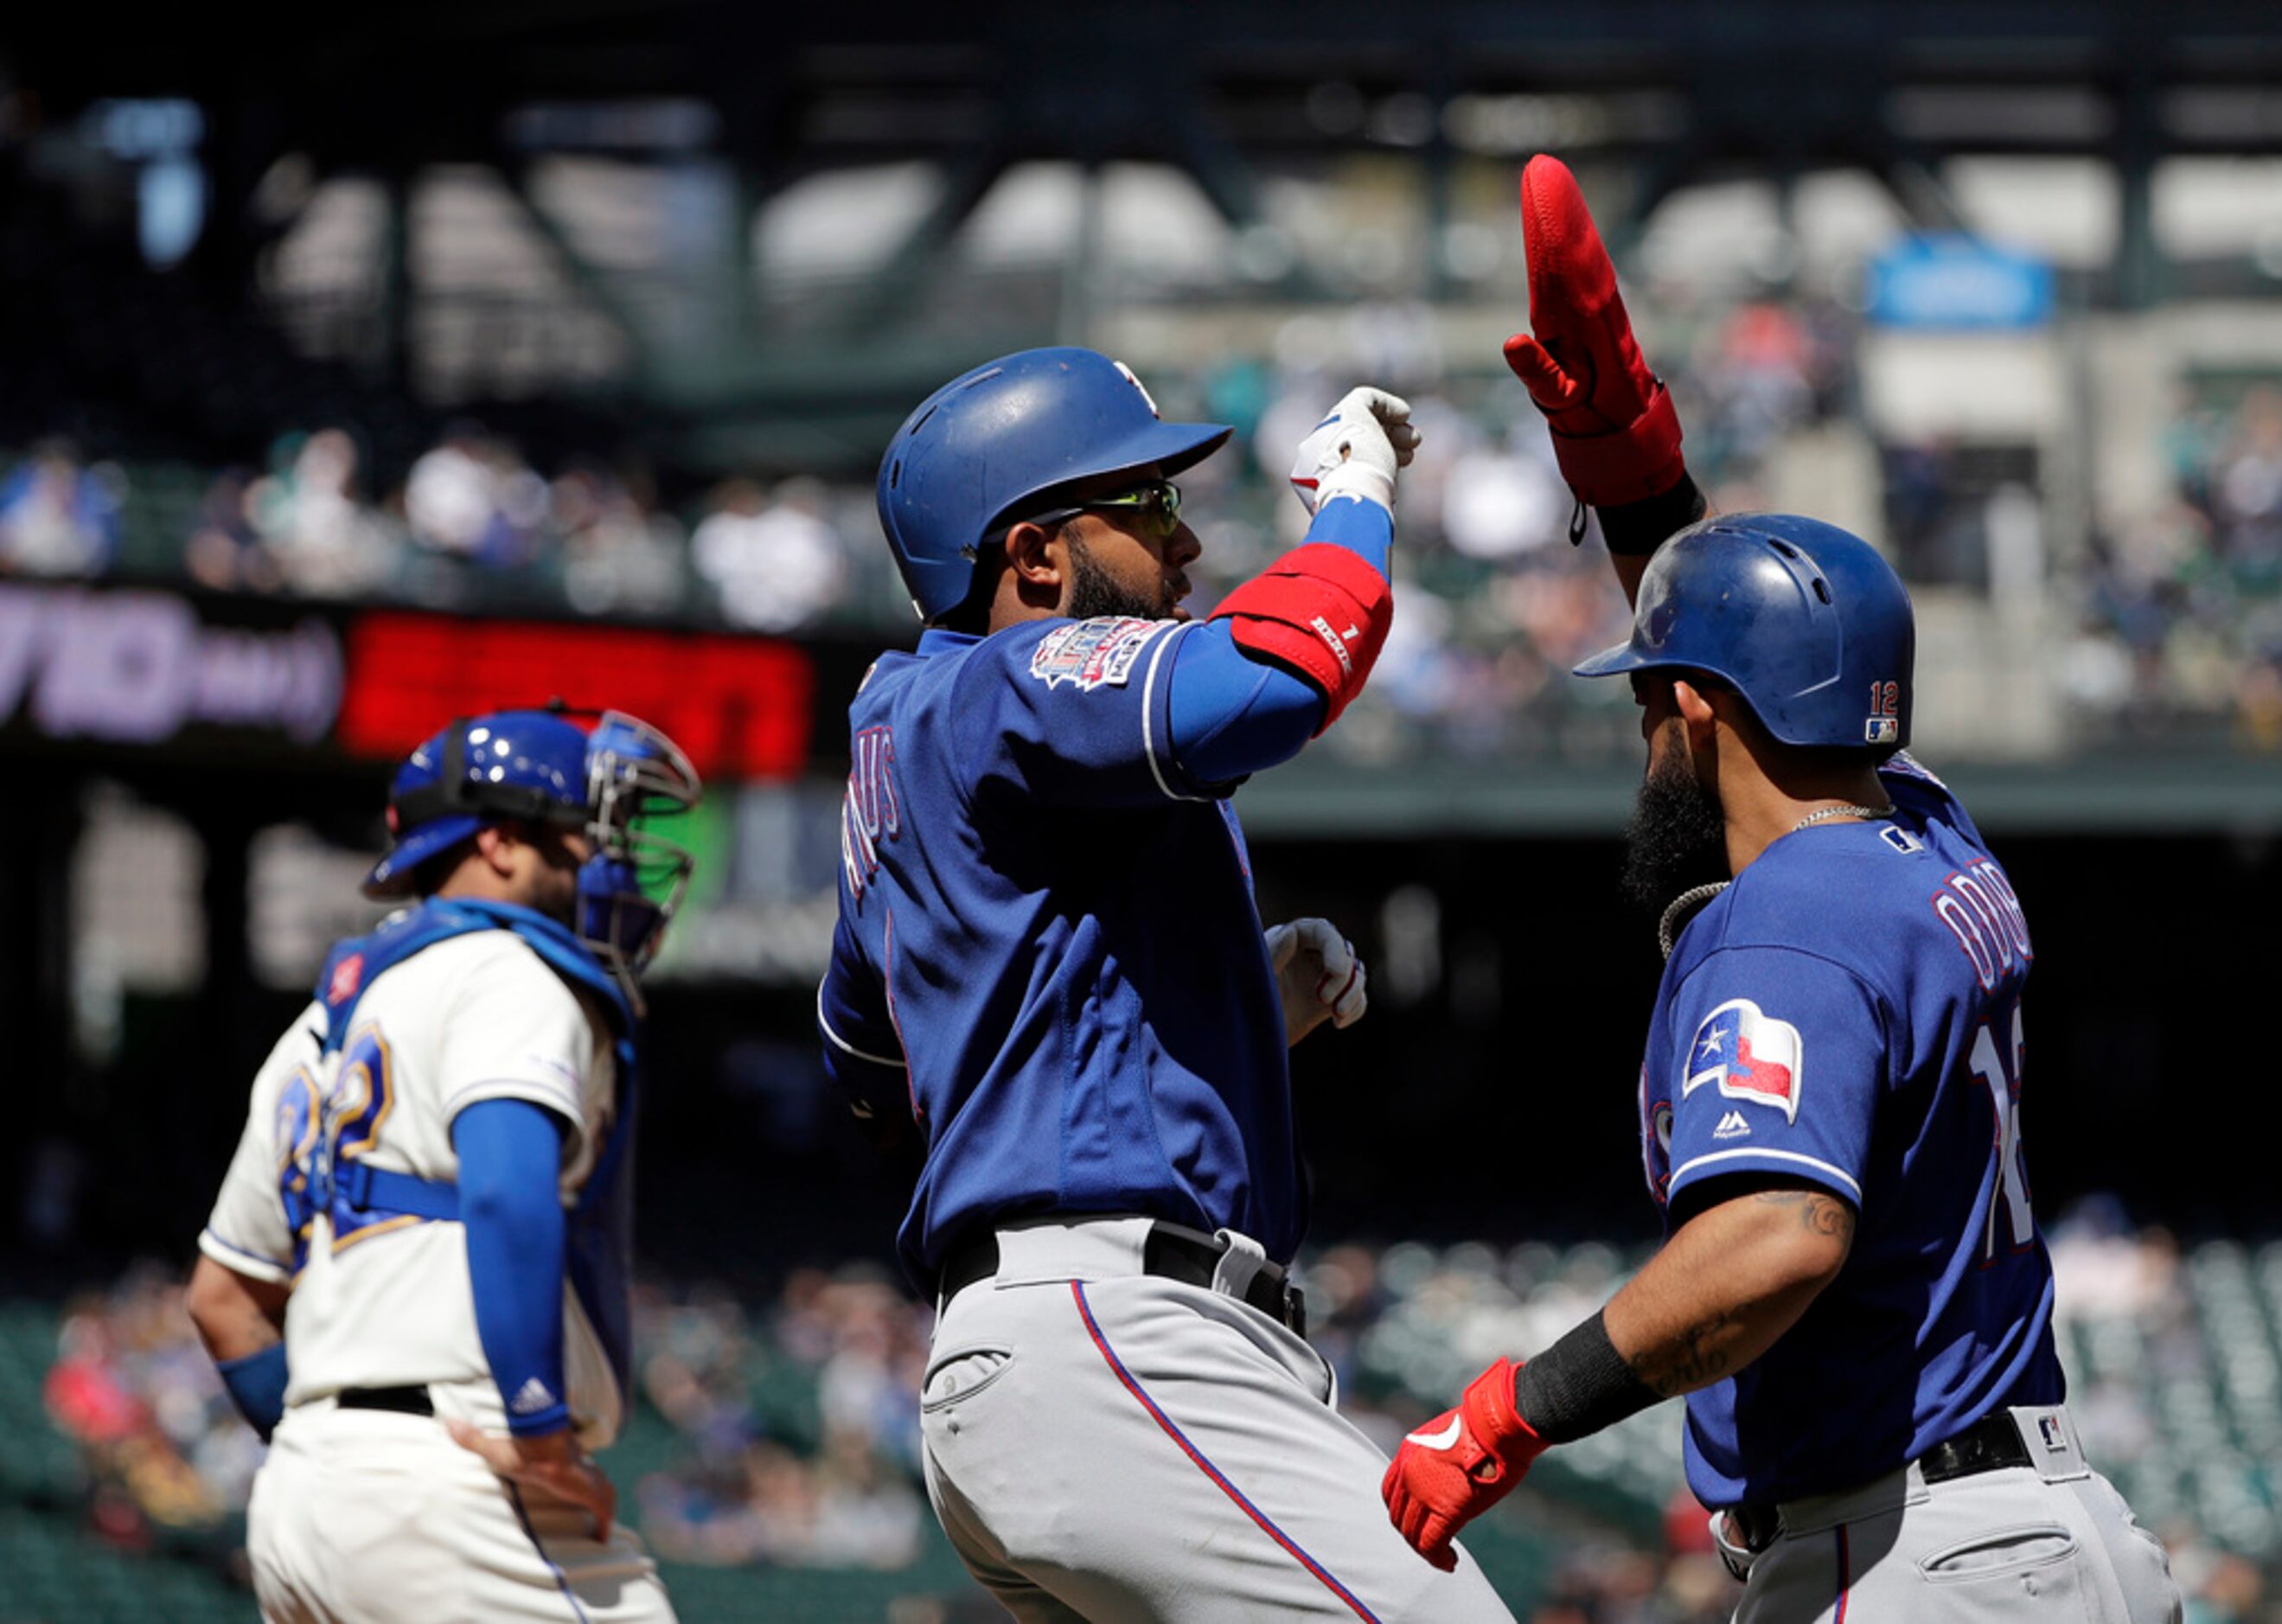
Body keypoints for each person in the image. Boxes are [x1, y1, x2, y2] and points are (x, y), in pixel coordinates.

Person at [1380, 157, 2182, 1621]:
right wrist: (1629, 462)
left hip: (1916, 1553)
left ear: (1692, 713)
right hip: (2052, 1527)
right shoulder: (1926, 832)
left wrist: (1515, 1408)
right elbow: (1759, 647)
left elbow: (1775, 1237)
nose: (1633, 738)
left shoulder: (1790, 921)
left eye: (1647, 704)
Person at [819, 346, 1516, 1621]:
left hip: (1019, 1353)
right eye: (1145, 504)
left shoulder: (905, 734)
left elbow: (874, 1071)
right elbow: (1281, 670)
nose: (1183, 543)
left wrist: (1215, 1001)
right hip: (1113, 1339)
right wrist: (1351, 499)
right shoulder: (1004, 682)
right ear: (1031, 556)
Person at [186, 706, 701, 1622]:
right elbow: (507, 1194)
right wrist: (541, 1433)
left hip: (303, 1497)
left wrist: (334, 1446)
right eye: (579, 838)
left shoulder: (314, 1031)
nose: (598, 862)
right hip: (461, 1480)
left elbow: (222, 1300)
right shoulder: (507, 971)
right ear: (501, 843)